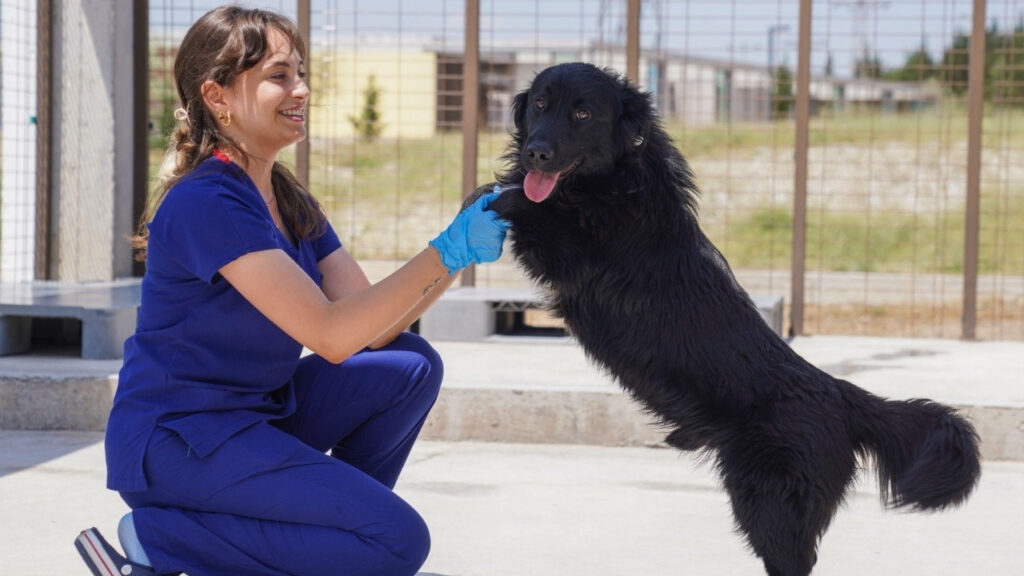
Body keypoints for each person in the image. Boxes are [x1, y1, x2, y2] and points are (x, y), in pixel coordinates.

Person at [73, 6, 508, 576]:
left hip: (257, 419)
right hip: (180, 443)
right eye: (279, 75)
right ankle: (163, 539)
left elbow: (375, 332)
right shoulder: (208, 202)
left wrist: (456, 254)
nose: (300, 89)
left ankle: (321, 538)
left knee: (411, 364)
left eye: (301, 73)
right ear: (218, 96)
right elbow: (330, 336)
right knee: (397, 542)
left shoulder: (286, 196)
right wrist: (446, 249)